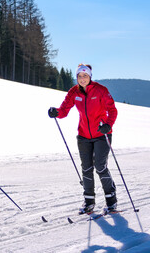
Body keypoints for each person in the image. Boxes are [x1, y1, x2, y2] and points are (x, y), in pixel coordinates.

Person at [48, 63, 118, 214]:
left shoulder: (101, 90)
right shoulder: (74, 92)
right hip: (83, 135)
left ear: (90, 76)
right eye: (79, 76)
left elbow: (112, 110)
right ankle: (89, 201)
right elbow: (64, 109)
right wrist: (56, 112)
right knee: (86, 168)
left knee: (100, 167)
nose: (82, 79)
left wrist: (107, 124)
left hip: (102, 133)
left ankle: (111, 199)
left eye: (85, 76)